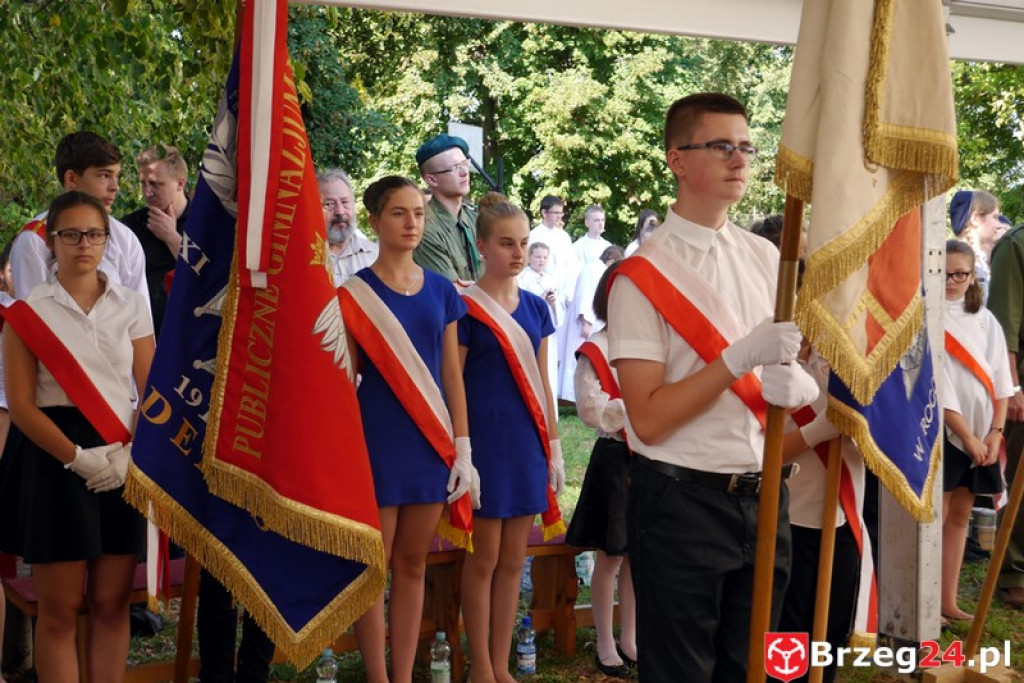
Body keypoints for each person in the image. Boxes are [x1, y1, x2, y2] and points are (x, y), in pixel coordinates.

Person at [607, 93, 818, 681]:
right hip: (682, 503)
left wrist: (788, 381)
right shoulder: (642, 276)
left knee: (752, 669)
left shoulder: (765, 256)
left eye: (746, 146)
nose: (739, 159)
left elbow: (771, 367)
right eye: (721, 146)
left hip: (767, 492)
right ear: (677, 159)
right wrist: (739, 358)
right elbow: (647, 418)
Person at [0, 191, 152, 683]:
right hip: (55, 457)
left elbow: (153, 394)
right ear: (51, 240)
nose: (83, 244)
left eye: (94, 234)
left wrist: (131, 453)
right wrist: (78, 459)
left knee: (111, 605)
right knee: (60, 610)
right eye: (71, 234)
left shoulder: (131, 305)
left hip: (122, 452)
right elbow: (21, 406)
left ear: (107, 240)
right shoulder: (27, 313)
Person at [339, 176, 478, 683]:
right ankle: (377, 676)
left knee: (414, 562)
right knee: (373, 569)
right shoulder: (353, 294)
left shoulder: (442, 290)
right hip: (374, 440)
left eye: (418, 212)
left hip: (428, 442)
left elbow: (451, 375)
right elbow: (343, 381)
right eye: (399, 213)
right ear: (374, 220)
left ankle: (403, 675)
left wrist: (462, 447)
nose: (412, 222)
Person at [458, 193, 564, 683]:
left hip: (525, 446)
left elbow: (544, 383)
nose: (518, 253)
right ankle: (480, 664)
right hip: (482, 447)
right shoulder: (462, 308)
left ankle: (501, 665)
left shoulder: (538, 311)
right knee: (483, 559)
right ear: (482, 245)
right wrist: (460, 450)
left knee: (513, 561)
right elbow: (450, 383)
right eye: (506, 244)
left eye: (523, 243)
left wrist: (556, 447)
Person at [566, 260, 635, 679]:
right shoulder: (598, 348)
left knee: (636, 556)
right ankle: (606, 643)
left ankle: (631, 638)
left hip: (650, 459)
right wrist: (642, 410)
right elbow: (591, 408)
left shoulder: (653, 343)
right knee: (610, 557)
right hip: (616, 459)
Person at [941, 240, 1012, 621]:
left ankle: (947, 600)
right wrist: (965, 435)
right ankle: (924, 598)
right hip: (945, 433)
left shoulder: (987, 320)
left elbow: (1002, 380)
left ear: (973, 277)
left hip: (983, 434)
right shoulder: (925, 316)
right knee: (937, 513)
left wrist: (994, 433)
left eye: (960, 274)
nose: (951, 281)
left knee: (961, 514)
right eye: (944, 273)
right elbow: (939, 384)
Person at [10, 132, 148, 307]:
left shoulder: (125, 239)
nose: (115, 187)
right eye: (104, 175)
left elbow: (141, 319)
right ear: (72, 178)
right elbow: (33, 322)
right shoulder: (36, 240)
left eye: (116, 176)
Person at [985, 212, 1024, 610]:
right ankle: (1013, 572)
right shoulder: (1017, 245)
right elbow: (1005, 323)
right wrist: (1011, 387)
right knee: (1021, 483)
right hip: (1022, 382)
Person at [121, 145, 190, 335]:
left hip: (190, 339)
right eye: (143, 183)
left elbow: (209, 275)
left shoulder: (204, 223)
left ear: (180, 183)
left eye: (156, 184)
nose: (147, 192)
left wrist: (172, 237)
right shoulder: (130, 226)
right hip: (143, 337)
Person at [560, 245, 624, 403]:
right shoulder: (593, 269)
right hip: (585, 324)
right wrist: (586, 321)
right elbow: (586, 296)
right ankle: (574, 398)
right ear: (610, 260)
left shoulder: (596, 269)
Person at [414, 134, 481, 283]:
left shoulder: (477, 220)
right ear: (431, 179)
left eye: (465, 163)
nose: (465, 172)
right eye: (455, 167)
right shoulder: (424, 229)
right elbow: (451, 292)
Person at [529, 195, 578, 396]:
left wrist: (566, 292)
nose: (559, 217)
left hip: (560, 297)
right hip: (538, 290)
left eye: (561, 213)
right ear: (544, 213)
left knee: (558, 349)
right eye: (555, 212)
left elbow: (571, 267)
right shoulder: (535, 234)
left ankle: (557, 392)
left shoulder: (564, 237)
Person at [517, 242, 564, 402]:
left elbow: (559, 311)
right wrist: (540, 301)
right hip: (530, 330)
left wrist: (553, 303)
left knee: (549, 369)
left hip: (548, 331)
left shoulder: (551, 279)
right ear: (530, 257)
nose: (541, 260)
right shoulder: (521, 278)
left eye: (544, 257)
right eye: (537, 256)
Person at [317, 168, 378, 286]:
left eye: (345, 202)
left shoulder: (376, 256)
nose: (340, 211)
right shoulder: (302, 260)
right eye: (329, 204)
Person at [950, 189, 1001, 299]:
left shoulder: (980, 259)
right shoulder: (958, 262)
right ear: (975, 219)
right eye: (995, 217)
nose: (999, 225)